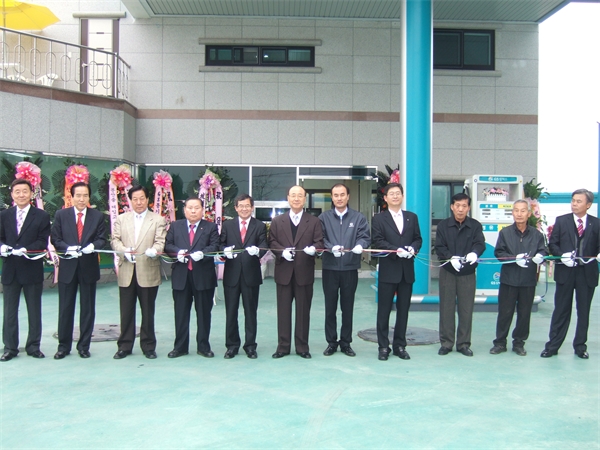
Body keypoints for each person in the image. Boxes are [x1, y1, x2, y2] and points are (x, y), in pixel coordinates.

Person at [541, 189, 600, 359]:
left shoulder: (596, 223)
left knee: (583, 311)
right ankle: (552, 346)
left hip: (586, 274)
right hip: (565, 272)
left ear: (588, 205)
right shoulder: (562, 221)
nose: (574, 204)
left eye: (579, 201)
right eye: (573, 200)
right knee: (561, 310)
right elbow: (553, 244)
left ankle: (580, 347)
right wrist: (562, 256)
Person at [51, 182, 107, 359]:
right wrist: (67, 248)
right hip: (68, 267)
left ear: (89, 197)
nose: (82, 199)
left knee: (87, 309)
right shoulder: (61, 215)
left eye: (85, 195)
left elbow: (102, 239)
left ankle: (84, 346)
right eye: (78, 195)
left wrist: (93, 246)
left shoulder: (97, 216)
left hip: (88, 268)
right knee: (65, 308)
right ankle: (63, 346)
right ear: (72, 197)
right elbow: (55, 238)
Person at [111, 185, 166, 359]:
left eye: (142, 198)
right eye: (135, 199)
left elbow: (160, 242)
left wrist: (154, 250)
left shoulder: (157, 220)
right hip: (127, 270)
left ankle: (148, 346)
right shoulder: (122, 219)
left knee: (148, 311)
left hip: (148, 270)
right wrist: (124, 251)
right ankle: (124, 346)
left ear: (148, 199)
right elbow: (115, 240)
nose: (139, 202)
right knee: (126, 311)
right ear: (130, 201)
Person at [269, 185, 324, 359]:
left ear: (305, 199)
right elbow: (272, 242)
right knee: (283, 311)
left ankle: (302, 347)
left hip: (304, 273)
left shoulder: (314, 221)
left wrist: (314, 249)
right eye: (293, 195)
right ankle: (283, 346)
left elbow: (320, 242)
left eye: (300, 195)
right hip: (284, 272)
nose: (296, 198)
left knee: (303, 311)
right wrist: (281, 252)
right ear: (288, 198)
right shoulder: (277, 221)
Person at [0, 179, 51, 362]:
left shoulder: (41, 216)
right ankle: (10, 348)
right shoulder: (4, 215)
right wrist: (2, 247)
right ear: (12, 194)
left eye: (25, 191)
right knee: (9, 311)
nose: (21, 195)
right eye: (17, 191)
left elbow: (42, 241)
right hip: (11, 270)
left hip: (31, 268)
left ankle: (33, 346)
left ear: (31, 193)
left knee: (34, 310)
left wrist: (27, 249)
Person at [371, 183, 422, 361]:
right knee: (383, 310)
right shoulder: (379, 219)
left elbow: (418, 239)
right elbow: (377, 240)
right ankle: (383, 346)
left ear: (402, 196)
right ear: (385, 198)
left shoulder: (411, 217)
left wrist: (413, 248)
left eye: (398, 193)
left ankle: (400, 345)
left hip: (406, 271)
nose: (395, 196)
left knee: (403, 310)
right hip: (388, 270)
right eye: (391, 194)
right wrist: (396, 250)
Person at [490, 200, 547, 356]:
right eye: (516, 210)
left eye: (523, 211)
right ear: (512, 213)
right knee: (504, 313)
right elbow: (499, 253)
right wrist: (514, 258)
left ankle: (519, 343)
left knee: (524, 314)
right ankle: (500, 343)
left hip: (528, 281)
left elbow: (544, 251)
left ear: (528, 214)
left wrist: (541, 256)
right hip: (509, 280)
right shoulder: (505, 233)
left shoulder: (537, 235)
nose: (519, 214)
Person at [319, 184, 371, 357]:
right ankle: (331, 342)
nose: (339, 198)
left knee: (347, 307)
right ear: (332, 197)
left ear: (348, 196)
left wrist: (360, 245)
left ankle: (346, 342)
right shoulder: (324, 217)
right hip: (330, 268)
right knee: (330, 307)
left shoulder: (358, 217)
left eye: (342, 195)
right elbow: (319, 238)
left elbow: (365, 237)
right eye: (336, 195)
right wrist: (330, 247)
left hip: (350, 268)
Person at [165, 197, 220, 359]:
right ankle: (180, 347)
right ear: (184, 210)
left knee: (204, 314)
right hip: (181, 276)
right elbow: (168, 245)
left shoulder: (210, 227)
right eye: (190, 208)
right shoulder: (175, 226)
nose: (193, 211)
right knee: (181, 314)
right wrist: (177, 253)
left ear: (202, 210)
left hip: (203, 277)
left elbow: (215, 246)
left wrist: (203, 253)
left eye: (197, 208)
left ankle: (203, 346)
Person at [435, 193, 485, 357]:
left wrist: (475, 253)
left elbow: (480, 243)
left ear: (468, 208)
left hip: (467, 273)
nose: (460, 209)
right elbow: (439, 247)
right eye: (457, 205)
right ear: (452, 207)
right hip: (448, 272)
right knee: (446, 308)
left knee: (466, 309)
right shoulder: (443, 226)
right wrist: (450, 258)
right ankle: (446, 343)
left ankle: (463, 344)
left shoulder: (475, 226)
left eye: (464, 206)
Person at [220, 194, 267, 359]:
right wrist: (224, 251)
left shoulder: (259, 225)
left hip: (251, 275)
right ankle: (232, 346)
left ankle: (250, 346)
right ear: (236, 208)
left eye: (247, 206)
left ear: (252, 207)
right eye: (241, 206)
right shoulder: (227, 225)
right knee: (231, 311)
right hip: (231, 275)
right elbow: (220, 244)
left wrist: (258, 251)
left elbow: (264, 244)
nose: (244, 209)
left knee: (250, 312)